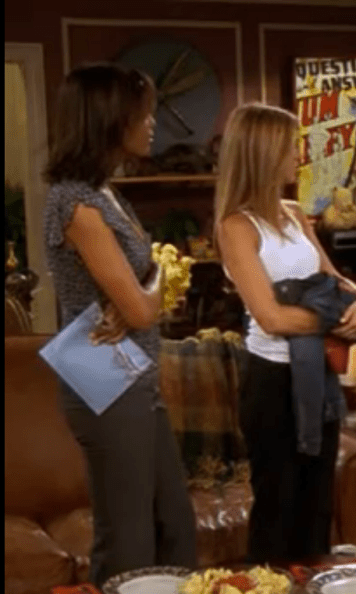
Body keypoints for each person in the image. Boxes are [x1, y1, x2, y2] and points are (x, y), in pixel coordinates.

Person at [42, 63, 197, 587]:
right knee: (129, 541)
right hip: (103, 373)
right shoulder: (76, 202)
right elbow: (141, 309)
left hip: (135, 372)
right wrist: (153, 280)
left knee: (174, 525)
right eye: (142, 113)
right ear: (108, 119)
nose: (152, 123)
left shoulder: (105, 192)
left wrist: (145, 285)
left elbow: (141, 292)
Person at [214, 102, 356, 562]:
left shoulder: (294, 213)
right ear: (263, 153)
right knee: (278, 508)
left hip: (317, 377)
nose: (298, 155)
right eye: (290, 146)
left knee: (316, 507)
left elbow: (335, 281)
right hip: (272, 383)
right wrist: (337, 321)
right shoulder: (236, 227)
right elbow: (271, 318)